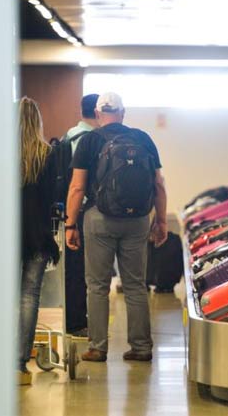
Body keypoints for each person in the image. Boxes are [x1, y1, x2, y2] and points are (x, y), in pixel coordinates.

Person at [65, 92, 168, 363]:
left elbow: (77, 187)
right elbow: (159, 184)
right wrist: (162, 220)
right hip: (137, 221)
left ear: (98, 114)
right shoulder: (143, 139)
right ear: (123, 113)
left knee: (97, 285)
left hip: (99, 219)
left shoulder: (90, 140)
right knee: (135, 285)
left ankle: (98, 348)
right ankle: (141, 347)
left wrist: (70, 224)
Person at [18, 97, 60, 385]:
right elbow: (49, 201)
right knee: (29, 296)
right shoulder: (46, 155)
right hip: (37, 236)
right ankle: (19, 363)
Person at [61, 93, 99, 338]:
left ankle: (74, 320)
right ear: (97, 112)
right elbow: (81, 184)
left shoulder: (69, 136)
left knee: (73, 269)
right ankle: (77, 322)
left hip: (68, 209)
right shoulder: (91, 140)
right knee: (84, 271)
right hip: (84, 210)